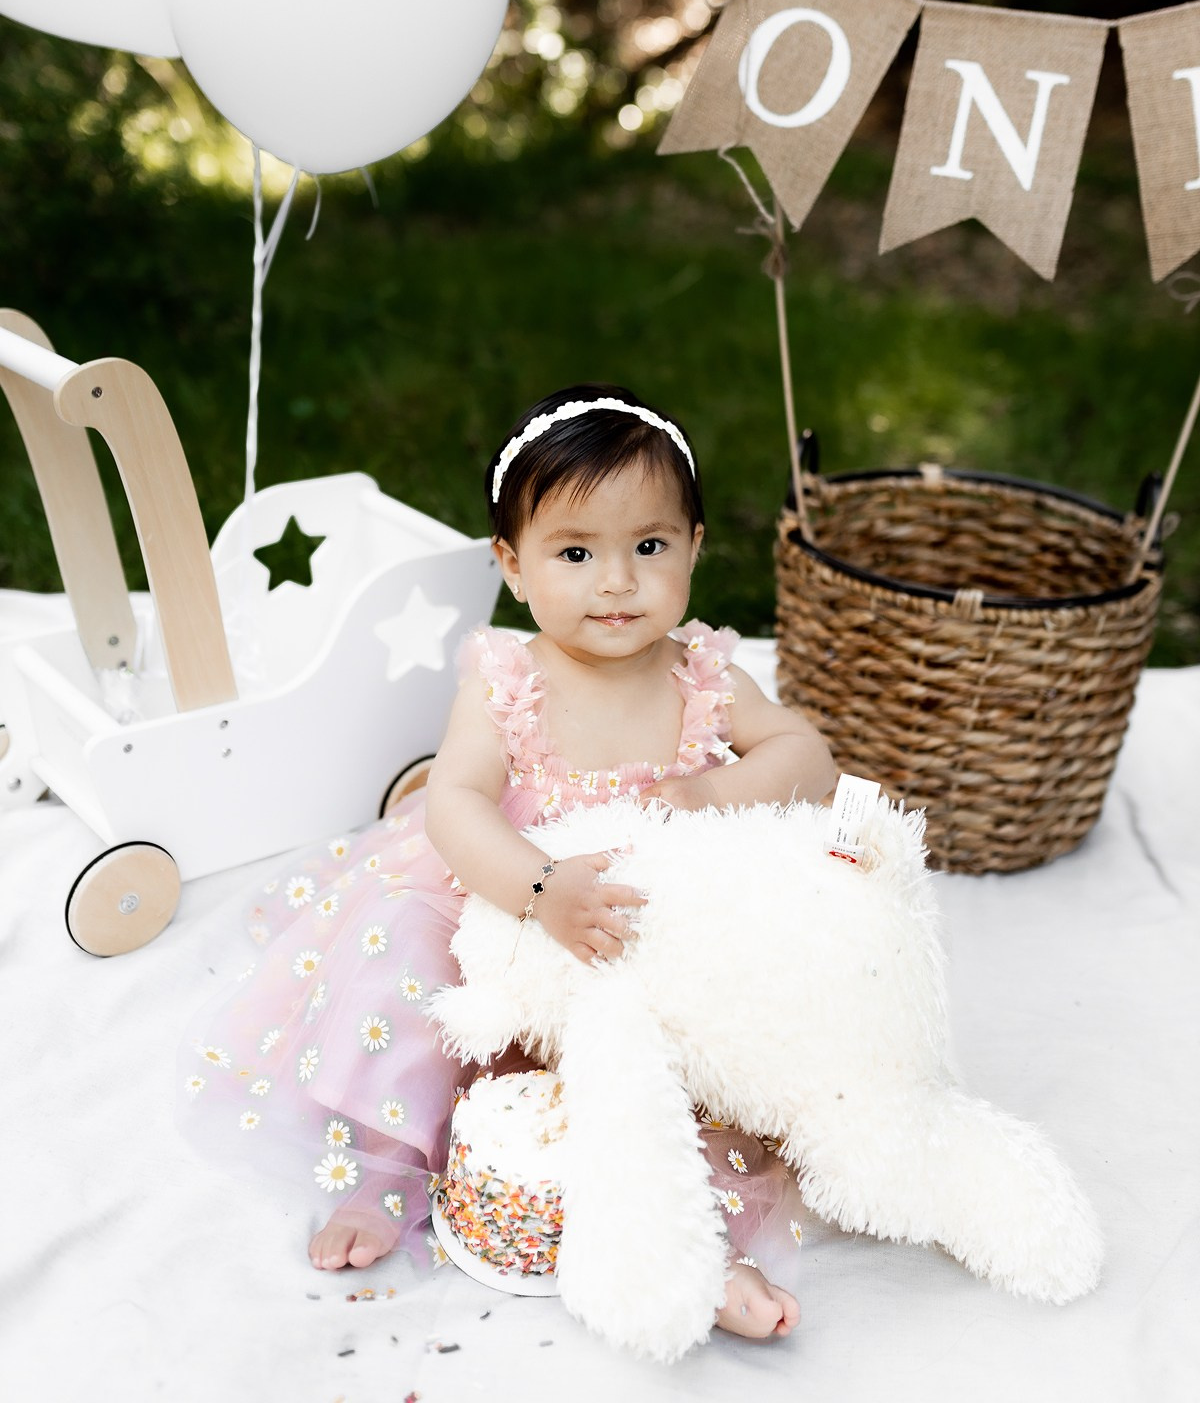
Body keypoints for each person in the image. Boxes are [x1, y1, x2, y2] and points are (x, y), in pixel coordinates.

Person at [179, 384, 836, 1341]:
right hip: (504, 901)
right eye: (575, 553)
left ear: (695, 546)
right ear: (513, 566)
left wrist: (710, 794)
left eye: (648, 547)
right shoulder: (510, 681)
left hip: (651, 918)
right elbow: (454, 803)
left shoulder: (704, 673)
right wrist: (538, 891)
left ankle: (703, 1239)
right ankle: (391, 1172)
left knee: (690, 1051)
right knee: (415, 964)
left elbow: (807, 756)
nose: (616, 582)